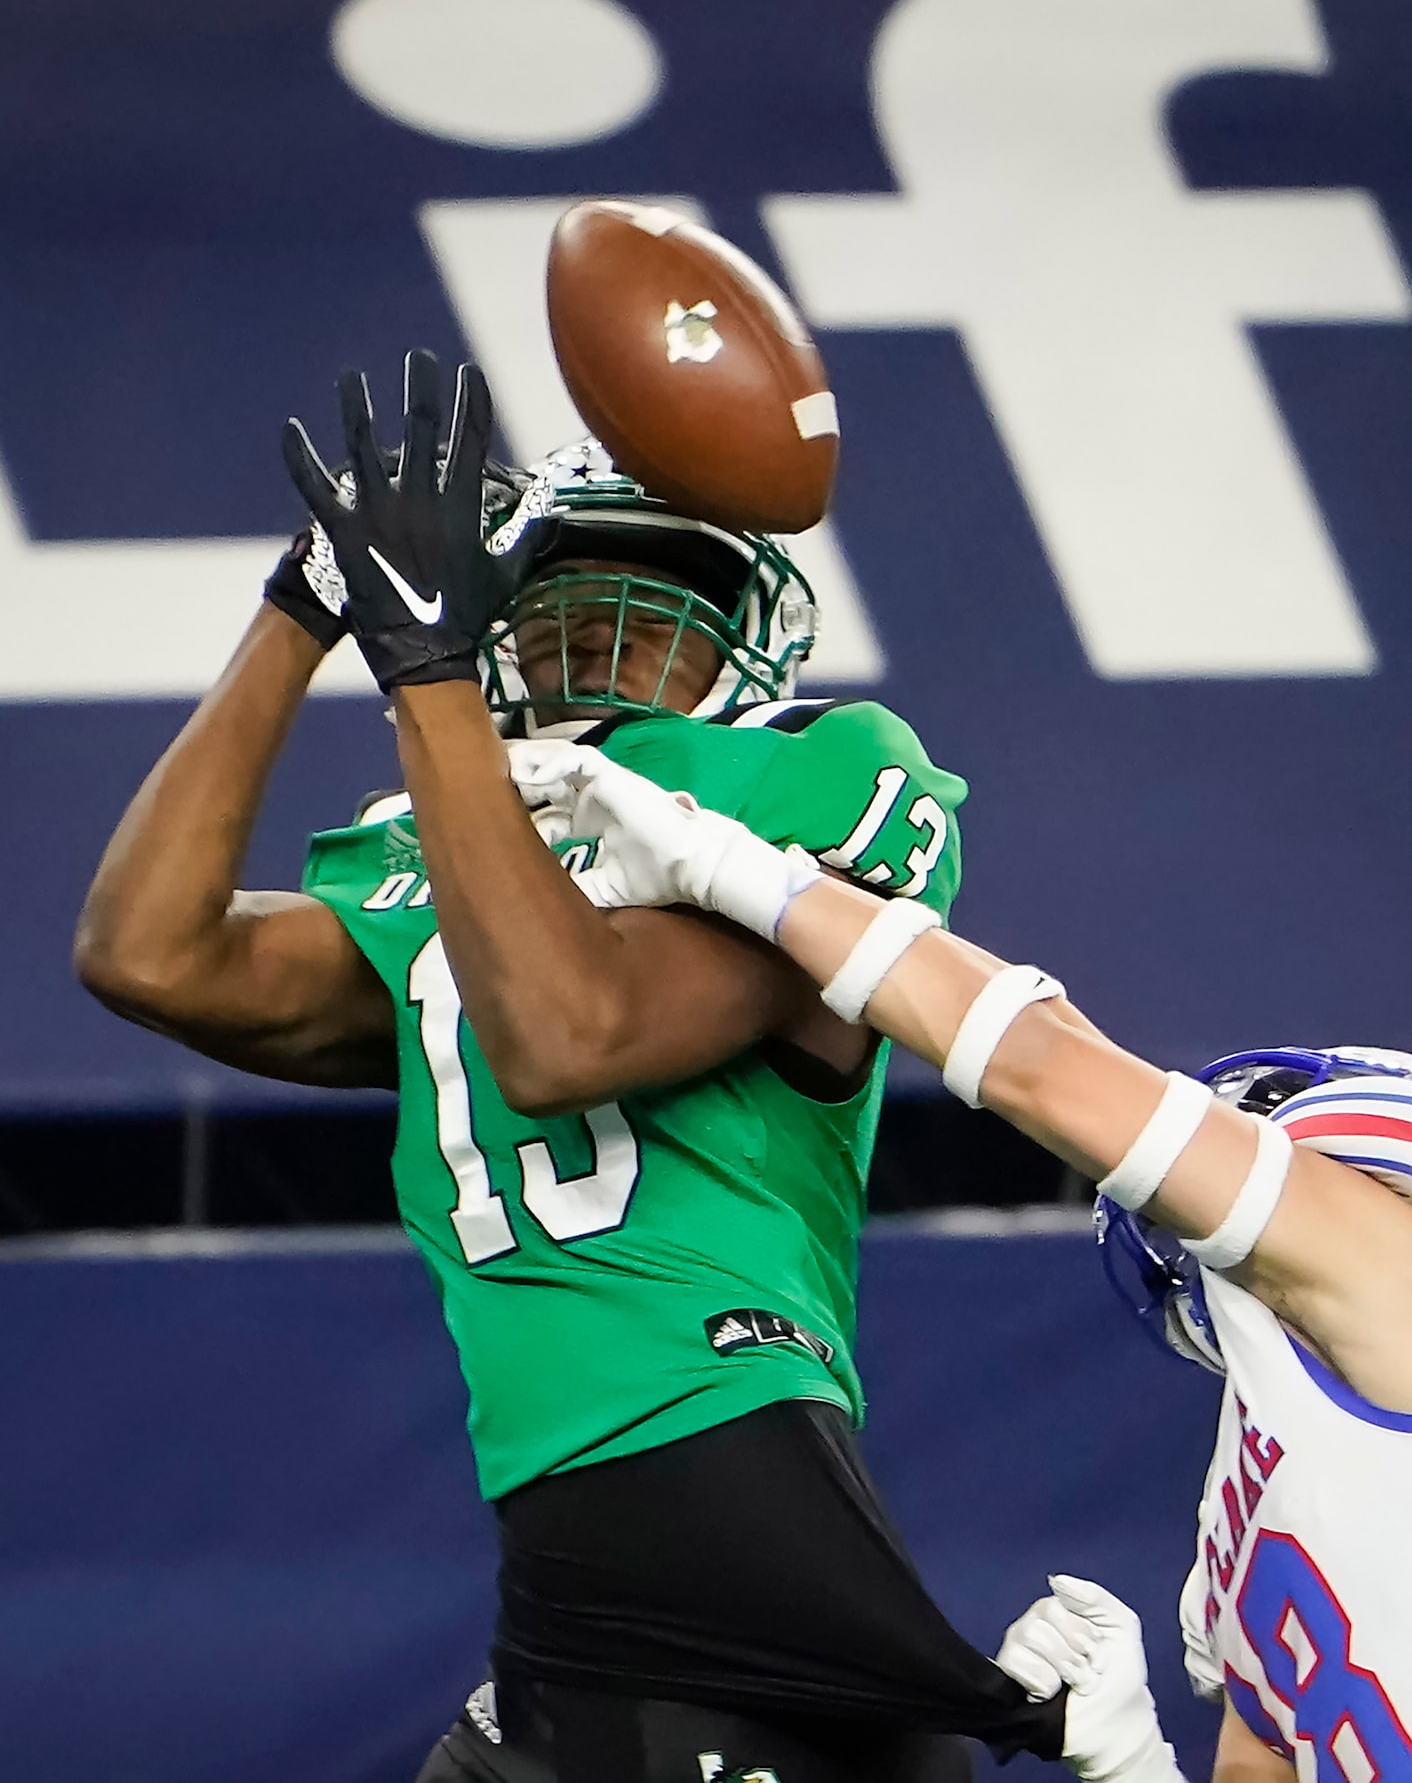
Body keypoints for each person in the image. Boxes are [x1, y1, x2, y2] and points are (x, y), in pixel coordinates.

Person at [75, 350, 1073, 1783]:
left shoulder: (810, 775)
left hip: (720, 1473)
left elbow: (568, 1035)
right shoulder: (436, 854)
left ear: (749, 636)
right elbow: (147, 953)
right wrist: (304, 609)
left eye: (660, 607)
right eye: (557, 603)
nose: (601, 634)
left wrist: (429, 687)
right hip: (573, 1558)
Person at [506, 736, 1412, 1783]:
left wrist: (736, 871)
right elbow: (1062, 1052)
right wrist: (1130, 1765)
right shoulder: (1291, 1400)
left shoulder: (1366, 1281)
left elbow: (1045, 1067)